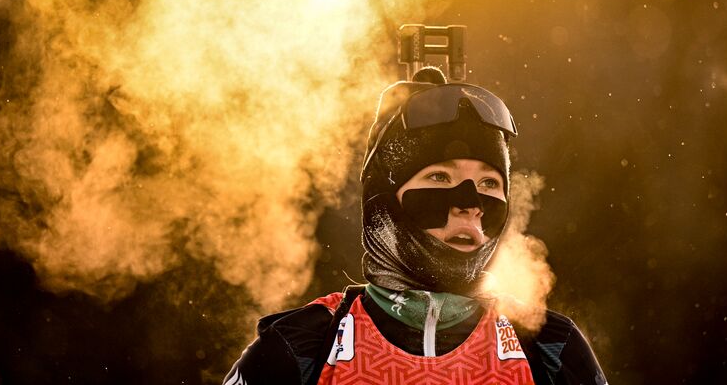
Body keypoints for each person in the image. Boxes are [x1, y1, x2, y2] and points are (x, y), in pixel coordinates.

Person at [223, 67, 607, 385]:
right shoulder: (302, 346)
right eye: (440, 177)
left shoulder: (548, 346)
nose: (470, 204)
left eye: (490, 183)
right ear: (383, 199)